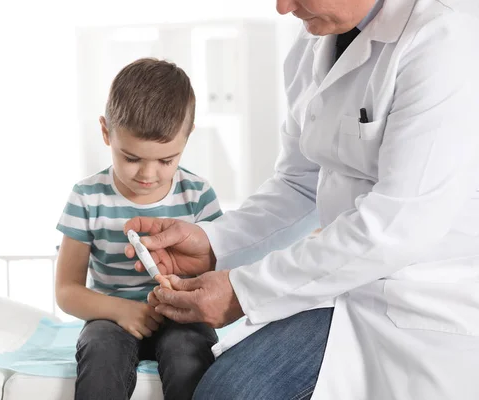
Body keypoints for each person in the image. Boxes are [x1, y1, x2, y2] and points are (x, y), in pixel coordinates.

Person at [124, 1, 479, 399]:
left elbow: (397, 225)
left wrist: (244, 292)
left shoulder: (445, 39)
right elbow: (300, 181)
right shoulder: (313, 41)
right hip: (336, 291)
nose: (281, 7)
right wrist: (214, 244)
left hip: (419, 303)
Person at [55, 58, 223, 400]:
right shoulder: (87, 197)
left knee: (187, 352)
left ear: (187, 138)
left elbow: (218, 273)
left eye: (166, 160)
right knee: (100, 349)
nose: (147, 175)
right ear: (106, 132)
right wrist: (121, 310)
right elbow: (66, 291)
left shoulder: (198, 195)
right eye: (131, 158)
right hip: (111, 318)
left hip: (182, 317)